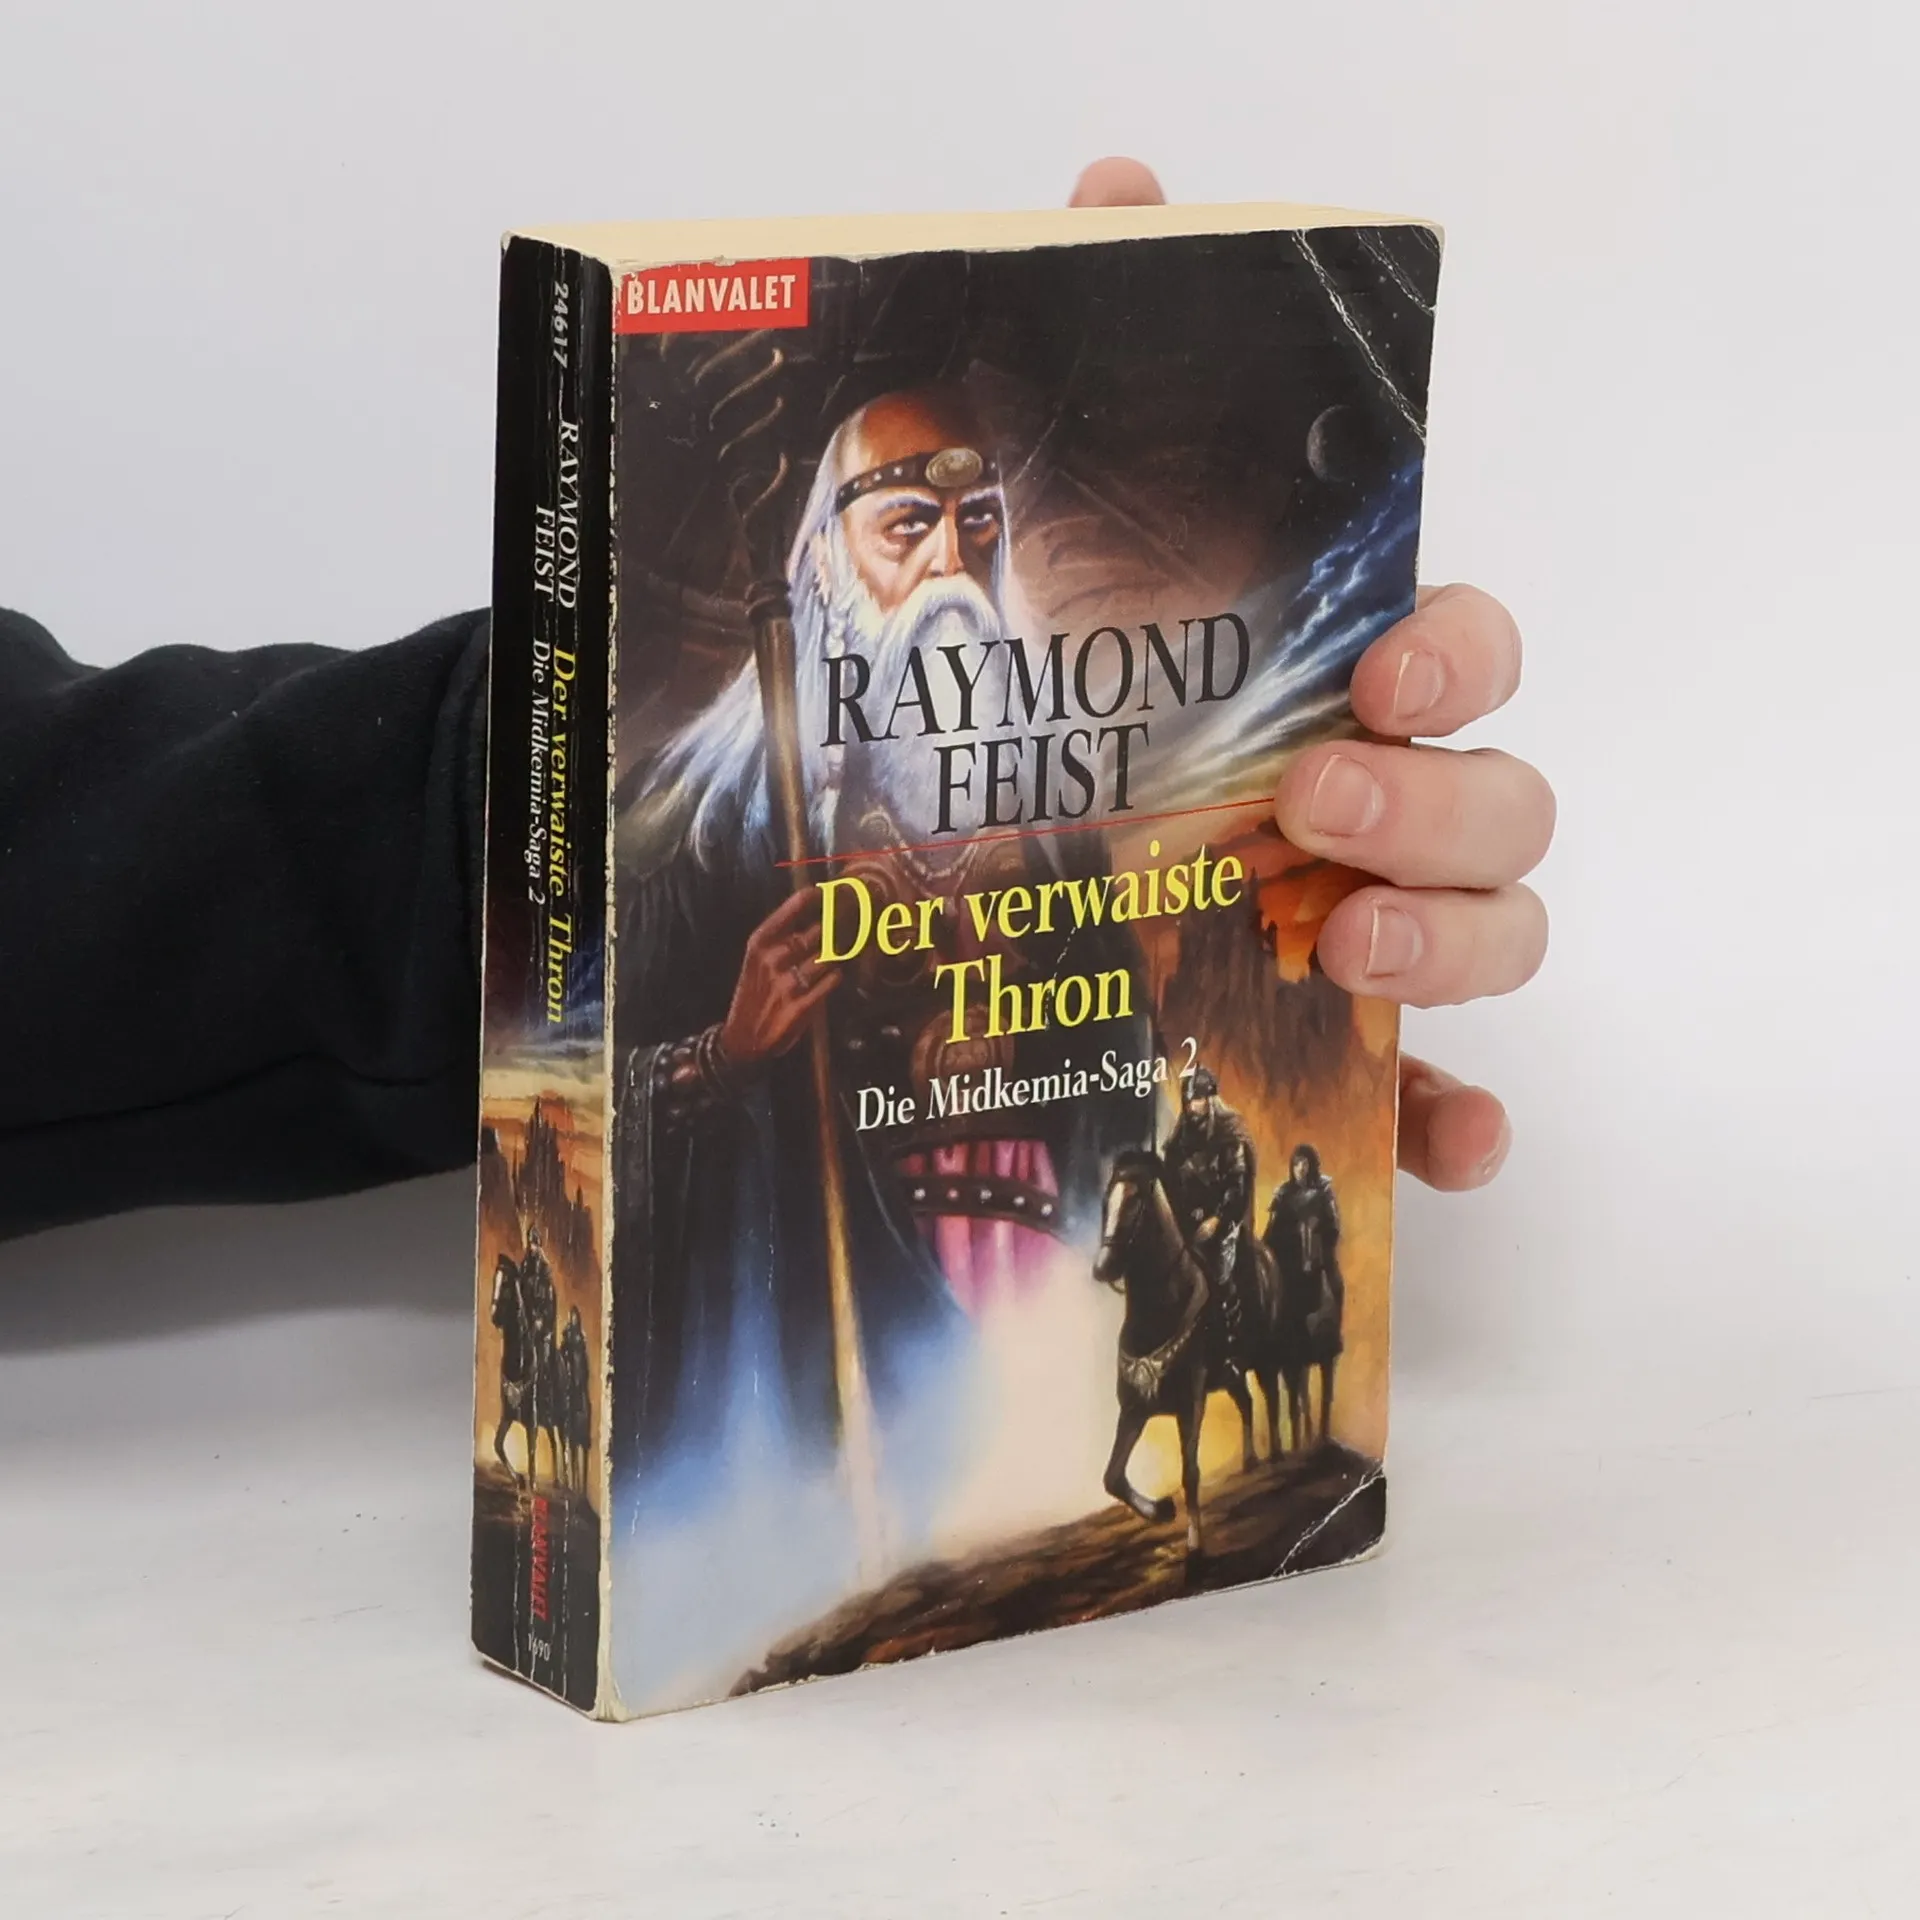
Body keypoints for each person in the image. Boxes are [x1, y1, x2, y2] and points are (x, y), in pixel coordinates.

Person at [0, 156, 1553, 1250]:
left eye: (981, 523)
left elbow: (1123, 1058)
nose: (954, 562)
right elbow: (596, 1111)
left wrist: (1252, 960)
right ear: (817, 573)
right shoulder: (682, 830)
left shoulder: (1065, 811)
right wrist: (721, 1052)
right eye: (904, 523)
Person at [1160, 1065, 1258, 1355]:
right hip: (1186, 1225)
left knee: (1224, 1275)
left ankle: (1229, 1346)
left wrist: (1217, 1220)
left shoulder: (1229, 1138)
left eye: (1199, 1099)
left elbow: (1237, 1187)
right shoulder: (1178, 1142)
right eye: (1190, 1100)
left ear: (1211, 1100)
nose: (1193, 1106)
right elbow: (1170, 1183)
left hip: (1222, 1225)